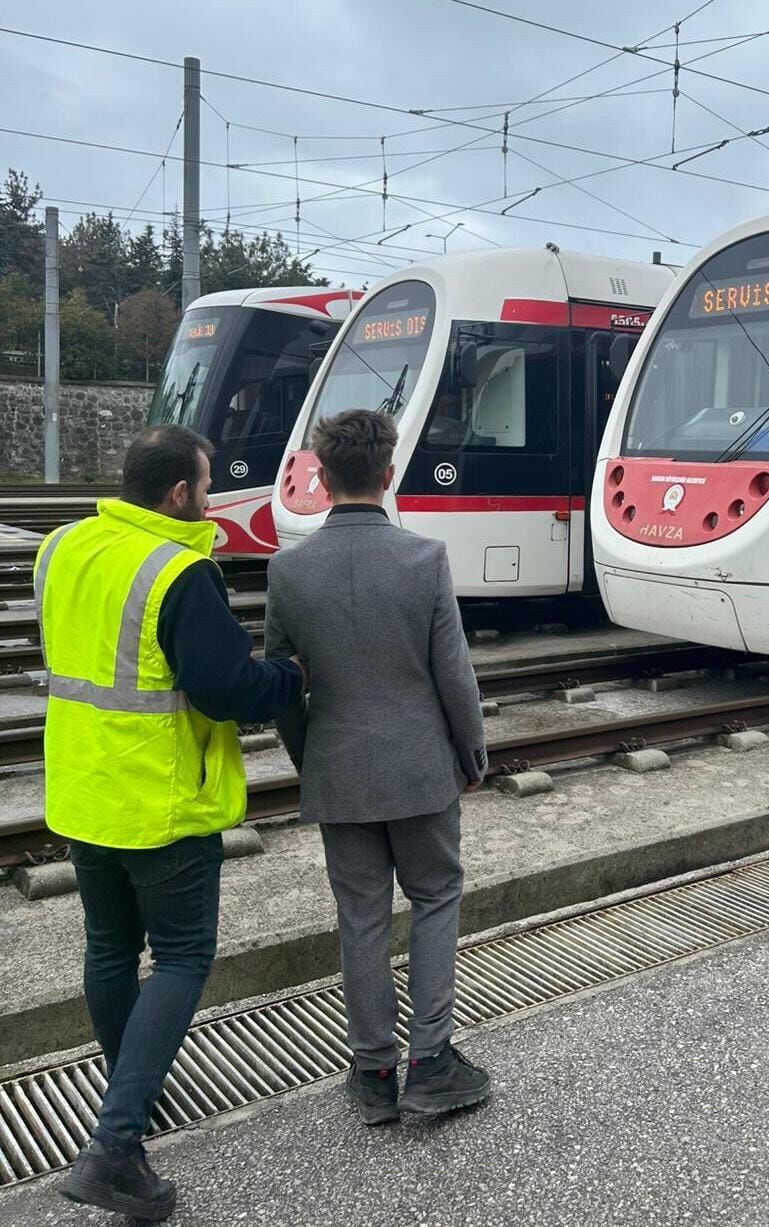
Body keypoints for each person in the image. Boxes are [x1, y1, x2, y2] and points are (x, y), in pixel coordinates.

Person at [35, 425, 305, 1222]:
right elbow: (227, 687)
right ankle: (114, 1144)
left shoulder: (63, 546)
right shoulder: (179, 571)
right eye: (208, 481)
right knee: (184, 957)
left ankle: (130, 1118)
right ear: (180, 493)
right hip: (159, 801)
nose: (212, 495)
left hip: (83, 791)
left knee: (110, 949)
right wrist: (288, 678)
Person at [265, 408, 490, 1125]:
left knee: (360, 916)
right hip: (421, 769)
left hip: (338, 770)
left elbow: (284, 686)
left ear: (322, 478)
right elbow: (452, 675)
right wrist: (471, 755)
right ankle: (431, 1062)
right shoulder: (423, 559)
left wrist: (312, 761)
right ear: (387, 475)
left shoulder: (288, 570)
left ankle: (371, 1071)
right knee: (433, 898)